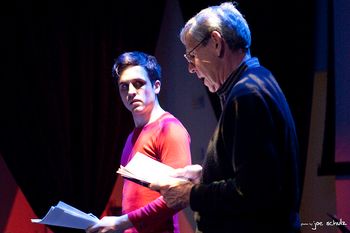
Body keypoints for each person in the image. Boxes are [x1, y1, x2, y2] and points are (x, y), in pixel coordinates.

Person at [152, 2, 301, 233]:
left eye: (191, 55)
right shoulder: (258, 79)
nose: (191, 68)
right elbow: (258, 172)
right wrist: (204, 175)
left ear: (216, 43)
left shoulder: (247, 95)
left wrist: (189, 195)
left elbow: (254, 192)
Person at [87, 51, 192, 233]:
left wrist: (123, 222)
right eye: (124, 87)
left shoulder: (170, 129)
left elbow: (179, 196)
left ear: (156, 86)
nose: (131, 92)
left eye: (138, 84)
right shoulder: (131, 138)